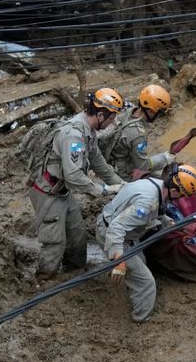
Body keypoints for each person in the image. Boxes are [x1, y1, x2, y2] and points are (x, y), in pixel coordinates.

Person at [29, 88, 126, 277]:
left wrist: (122, 186)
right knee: (54, 241)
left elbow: (99, 164)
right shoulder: (74, 134)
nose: (112, 122)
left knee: (77, 233)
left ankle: (74, 273)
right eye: (111, 118)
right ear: (100, 115)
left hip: (62, 191)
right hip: (48, 191)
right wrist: (103, 190)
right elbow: (73, 176)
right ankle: (44, 279)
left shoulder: (89, 132)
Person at [96, 163, 196, 323]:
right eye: (183, 195)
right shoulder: (147, 202)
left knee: (141, 264)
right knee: (146, 283)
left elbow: (157, 214)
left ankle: (124, 276)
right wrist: (119, 260)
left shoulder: (156, 186)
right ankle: (141, 318)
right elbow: (117, 228)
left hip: (122, 231)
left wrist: (174, 225)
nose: (182, 199)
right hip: (113, 235)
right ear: (175, 190)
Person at [101, 84, 175, 182]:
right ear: (151, 111)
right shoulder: (138, 134)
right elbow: (143, 166)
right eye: (159, 113)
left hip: (113, 160)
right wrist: (164, 159)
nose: (158, 117)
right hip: (123, 172)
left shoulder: (128, 110)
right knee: (160, 185)